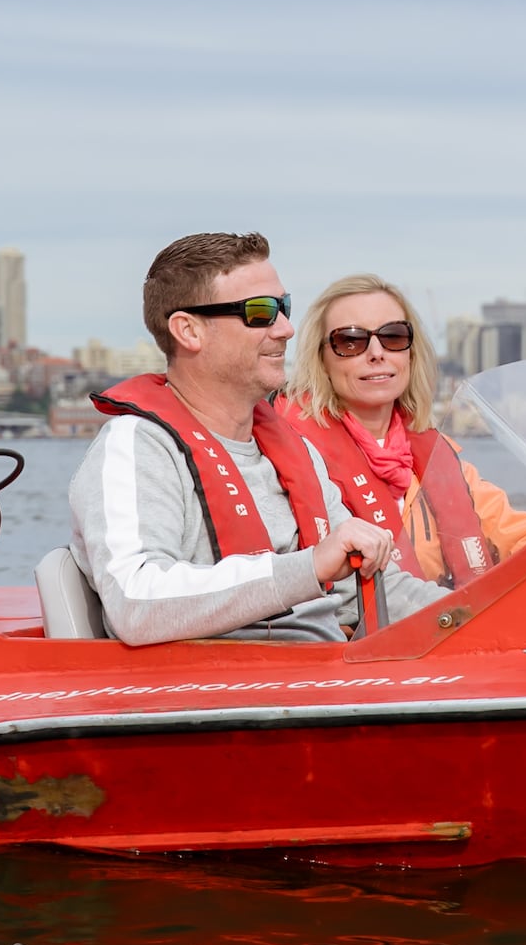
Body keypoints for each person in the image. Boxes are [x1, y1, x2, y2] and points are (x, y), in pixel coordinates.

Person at [68, 233, 446, 645]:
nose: (286, 328)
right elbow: (135, 601)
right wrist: (310, 566)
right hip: (234, 694)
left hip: (322, 681)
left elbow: (377, 589)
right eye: (261, 312)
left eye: (283, 308)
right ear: (188, 330)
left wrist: (486, 615)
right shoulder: (137, 446)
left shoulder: (292, 450)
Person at [279, 274, 526, 586]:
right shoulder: (294, 459)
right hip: (354, 633)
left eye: (393, 337)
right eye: (350, 341)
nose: (376, 353)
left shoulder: (443, 465)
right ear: (321, 360)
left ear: (411, 353)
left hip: (449, 627)